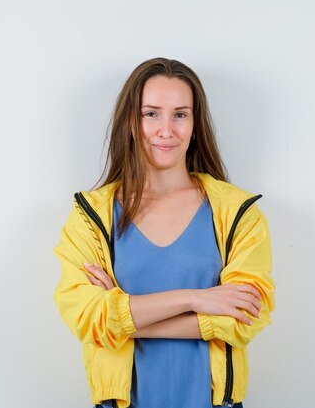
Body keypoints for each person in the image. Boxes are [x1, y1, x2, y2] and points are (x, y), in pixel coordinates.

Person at [52, 57, 275, 408]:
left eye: (180, 114)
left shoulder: (238, 213)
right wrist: (196, 298)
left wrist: (125, 317)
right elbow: (87, 317)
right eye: (151, 113)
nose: (166, 130)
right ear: (130, 121)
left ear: (195, 124)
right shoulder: (90, 216)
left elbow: (245, 319)